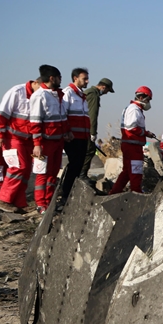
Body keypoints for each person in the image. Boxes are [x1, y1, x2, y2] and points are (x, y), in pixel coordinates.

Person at [0, 79, 40, 213]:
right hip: (13, 138)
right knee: (18, 168)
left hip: (28, 139)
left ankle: (18, 202)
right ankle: (3, 200)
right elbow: (2, 113)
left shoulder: (38, 96)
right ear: (36, 83)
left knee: (26, 170)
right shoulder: (16, 92)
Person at [29, 65, 70, 213]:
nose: (61, 81)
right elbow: (35, 122)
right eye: (59, 77)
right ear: (52, 78)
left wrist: (67, 131)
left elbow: (61, 117)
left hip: (58, 142)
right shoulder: (39, 96)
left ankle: (50, 202)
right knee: (42, 174)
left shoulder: (57, 95)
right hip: (45, 143)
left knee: (53, 174)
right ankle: (41, 204)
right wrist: (37, 144)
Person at [109, 87, 155, 194]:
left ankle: (114, 192)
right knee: (136, 171)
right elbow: (131, 127)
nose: (148, 103)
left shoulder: (134, 109)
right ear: (141, 97)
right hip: (132, 146)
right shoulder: (134, 110)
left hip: (130, 145)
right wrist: (146, 133)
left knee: (126, 172)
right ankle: (136, 193)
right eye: (148, 99)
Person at [61, 68, 91, 203]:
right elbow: (63, 115)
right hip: (73, 137)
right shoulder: (68, 94)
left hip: (82, 137)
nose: (87, 81)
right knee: (74, 165)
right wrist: (66, 132)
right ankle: (65, 194)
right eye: (84, 79)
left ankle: (72, 193)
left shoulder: (81, 96)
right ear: (75, 78)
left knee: (78, 166)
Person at [80, 78, 114, 178]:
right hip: (86, 129)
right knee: (89, 151)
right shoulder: (93, 94)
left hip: (82, 128)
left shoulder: (89, 92)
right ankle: (82, 176)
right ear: (103, 87)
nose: (106, 93)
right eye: (107, 90)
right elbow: (92, 115)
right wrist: (92, 133)